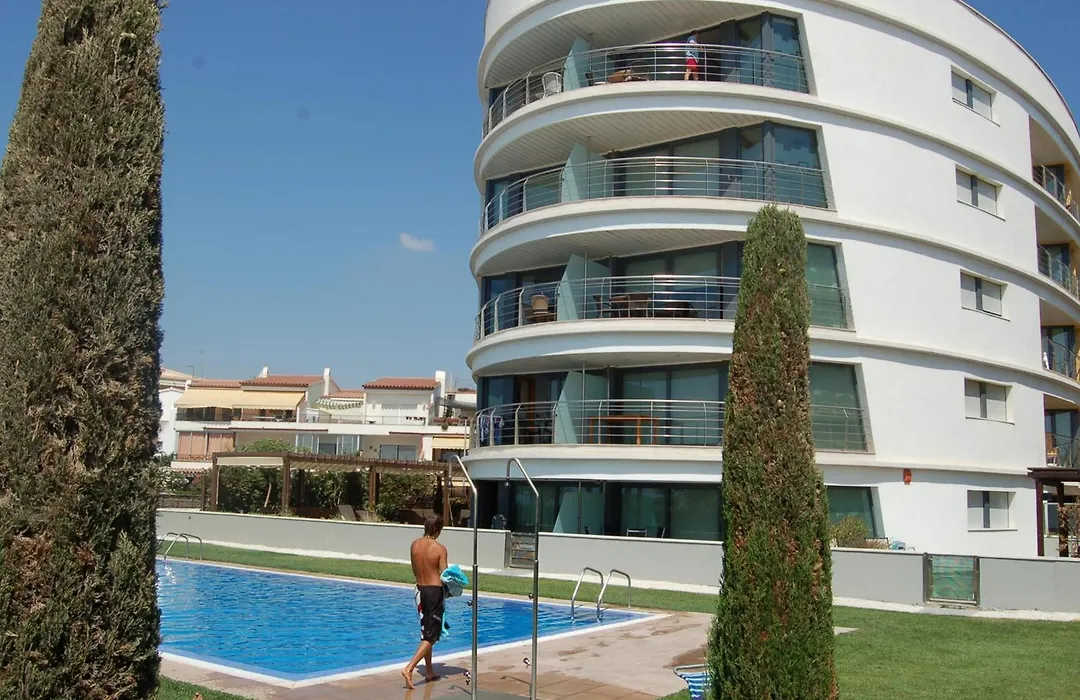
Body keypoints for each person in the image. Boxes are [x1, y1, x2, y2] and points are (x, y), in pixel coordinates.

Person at [401, 514, 448, 689]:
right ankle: (409, 668)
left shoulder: (414, 545)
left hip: (419, 590)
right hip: (434, 591)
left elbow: (415, 571)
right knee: (432, 634)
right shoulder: (440, 548)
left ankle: (429, 670)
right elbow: (445, 575)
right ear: (437, 529)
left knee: (426, 630)